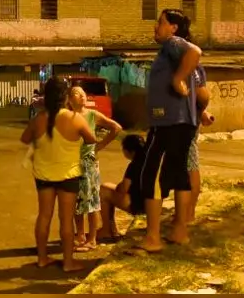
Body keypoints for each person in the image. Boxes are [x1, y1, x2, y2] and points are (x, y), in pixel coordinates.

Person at [127, 8, 202, 255]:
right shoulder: (171, 51)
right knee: (179, 175)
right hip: (182, 122)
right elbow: (201, 90)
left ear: (173, 28)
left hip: (168, 122)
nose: (155, 27)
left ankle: (153, 238)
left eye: (160, 23)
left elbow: (195, 52)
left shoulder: (174, 43)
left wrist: (178, 79)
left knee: (152, 176)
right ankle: (180, 231)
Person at [20, 76, 97, 272]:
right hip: (68, 175)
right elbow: (91, 139)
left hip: (44, 176)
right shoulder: (75, 119)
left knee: (44, 216)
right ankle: (68, 262)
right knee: (66, 219)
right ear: (65, 97)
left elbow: (25, 138)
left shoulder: (38, 119)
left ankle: (42, 258)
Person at [68, 86, 122, 252]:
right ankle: (80, 235)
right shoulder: (67, 117)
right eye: (77, 94)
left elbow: (116, 128)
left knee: (91, 202)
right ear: (69, 100)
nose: (82, 96)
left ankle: (92, 238)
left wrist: (99, 146)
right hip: (71, 164)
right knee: (75, 202)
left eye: (84, 93)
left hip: (89, 164)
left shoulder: (92, 115)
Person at [97, 134, 149, 242]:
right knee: (107, 186)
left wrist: (120, 186)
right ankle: (113, 229)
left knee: (103, 192)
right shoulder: (149, 161)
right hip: (150, 202)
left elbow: (123, 189)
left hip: (138, 204)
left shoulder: (134, 165)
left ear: (130, 151)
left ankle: (106, 230)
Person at [188, 65, 214, 223]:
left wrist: (200, 111)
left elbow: (202, 96)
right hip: (185, 123)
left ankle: (188, 215)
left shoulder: (192, 69)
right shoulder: (192, 68)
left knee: (190, 167)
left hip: (184, 126)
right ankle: (185, 213)